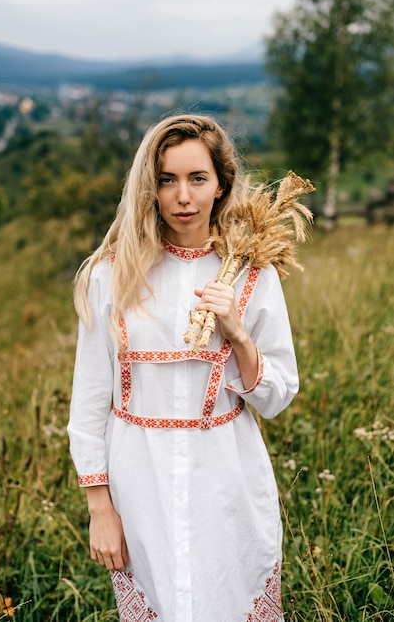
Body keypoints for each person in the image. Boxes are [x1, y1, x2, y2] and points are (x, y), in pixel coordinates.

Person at [67, 114, 299, 622]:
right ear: (149, 188)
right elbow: (87, 407)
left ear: (221, 184)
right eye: (167, 180)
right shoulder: (112, 274)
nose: (183, 197)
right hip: (139, 482)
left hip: (227, 479)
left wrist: (236, 332)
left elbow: (278, 396)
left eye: (197, 178)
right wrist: (100, 510)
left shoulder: (252, 273)